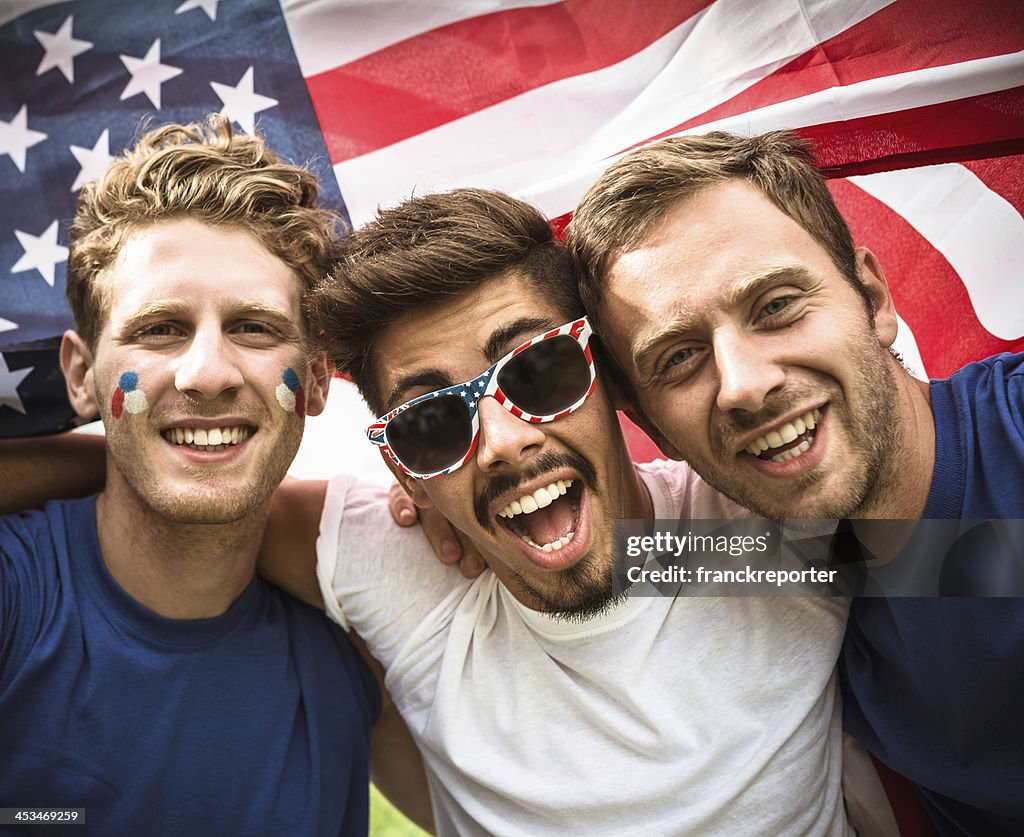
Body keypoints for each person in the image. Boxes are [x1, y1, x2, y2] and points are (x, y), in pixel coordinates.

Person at [261, 188, 853, 835]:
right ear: (403, 468)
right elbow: (185, 512)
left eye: (538, 370)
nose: (502, 443)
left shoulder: (755, 536)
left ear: (612, 374)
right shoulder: (408, 575)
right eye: (431, 422)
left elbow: (973, 557)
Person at [566, 130, 1024, 836]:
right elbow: (592, 564)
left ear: (872, 298)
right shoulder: (766, 563)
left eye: (776, 305)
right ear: (650, 425)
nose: (745, 385)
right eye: (681, 357)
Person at [0, 117, 430, 836]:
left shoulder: (357, 640)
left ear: (319, 377)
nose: (207, 374)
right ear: (81, 375)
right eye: (160, 327)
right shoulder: (17, 596)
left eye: (254, 327)